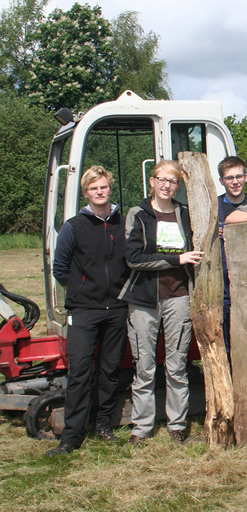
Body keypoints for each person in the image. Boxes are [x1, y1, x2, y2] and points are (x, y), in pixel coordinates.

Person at [46, 166, 130, 456]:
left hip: (117, 308)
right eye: (94, 188)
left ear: (110, 189)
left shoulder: (123, 223)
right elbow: (60, 268)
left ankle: (104, 425)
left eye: (104, 187)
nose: (100, 192)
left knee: (109, 371)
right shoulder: (73, 226)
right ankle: (71, 437)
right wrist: (80, 293)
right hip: (84, 310)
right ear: (86, 193)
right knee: (80, 371)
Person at [119, 159, 204, 445]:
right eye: (162, 179)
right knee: (144, 365)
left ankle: (177, 424)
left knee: (177, 365)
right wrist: (175, 259)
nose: (167, 185)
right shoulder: (138, 214)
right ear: (152, 182)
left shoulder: (186, 215)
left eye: (173, 181)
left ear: (178, 185)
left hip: (179, 296)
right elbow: (133, 259)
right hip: (144, 299)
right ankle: (141, 427)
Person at [216, 156, 247, 354]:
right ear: (222, 181)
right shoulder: (212, 208)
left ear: (246, 177)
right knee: (225, 338)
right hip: (223, 283)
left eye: (239, 176)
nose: (235, 181)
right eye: (229, 178)